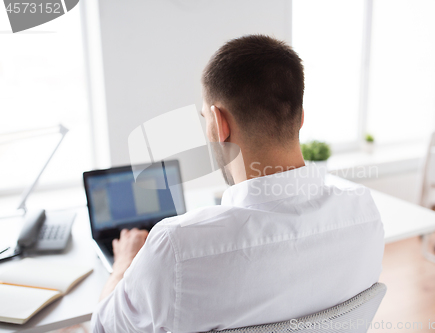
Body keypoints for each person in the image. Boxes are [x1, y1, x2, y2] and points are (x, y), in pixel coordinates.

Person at [91, 35, 384, 333]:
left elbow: (103, 327)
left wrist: (122, 265)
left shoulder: (176, 248)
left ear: (219, 123)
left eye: (205, 117)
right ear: (300, 119)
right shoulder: (365, 212)